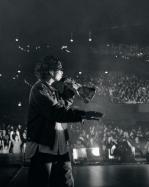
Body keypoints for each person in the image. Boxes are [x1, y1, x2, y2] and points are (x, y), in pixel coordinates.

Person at [26, 56, 103, 187]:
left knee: (66, 183)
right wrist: (82, 114)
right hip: (43, 146)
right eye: (59, 69)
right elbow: (57, 113)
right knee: (40, 183)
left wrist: (70, 94)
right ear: (50, 71)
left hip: (59, 146)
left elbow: (62, 108)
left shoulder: (52, 90)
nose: (62, 72)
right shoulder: (38, 89)